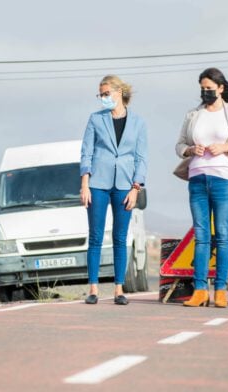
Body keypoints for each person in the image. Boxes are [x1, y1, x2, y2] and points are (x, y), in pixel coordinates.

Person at [175, 67, 228, 308]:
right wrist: (190, 150)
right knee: (201, 236)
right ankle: (200, 290)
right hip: (198, 179)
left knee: (222, 235)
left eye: (209, 88)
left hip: (225, 179)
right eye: (202, 89)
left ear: (220, 88)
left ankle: (220, 290)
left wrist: (227, 147)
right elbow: (179, 145)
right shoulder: (193, 114)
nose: (205, 92)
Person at [80, 75, 148, 306]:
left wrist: (135, 188)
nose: (103, 98)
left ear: (119, 92)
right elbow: (86, 152)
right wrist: (85, 184)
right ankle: (93, 288)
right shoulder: (95, 119)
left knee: (120, 237)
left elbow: (141, 158)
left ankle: (119, 289)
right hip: (97, 184)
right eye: (100, 95)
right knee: (96, 236)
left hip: (125, 185)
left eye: (106, 93)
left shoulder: (138, 123)